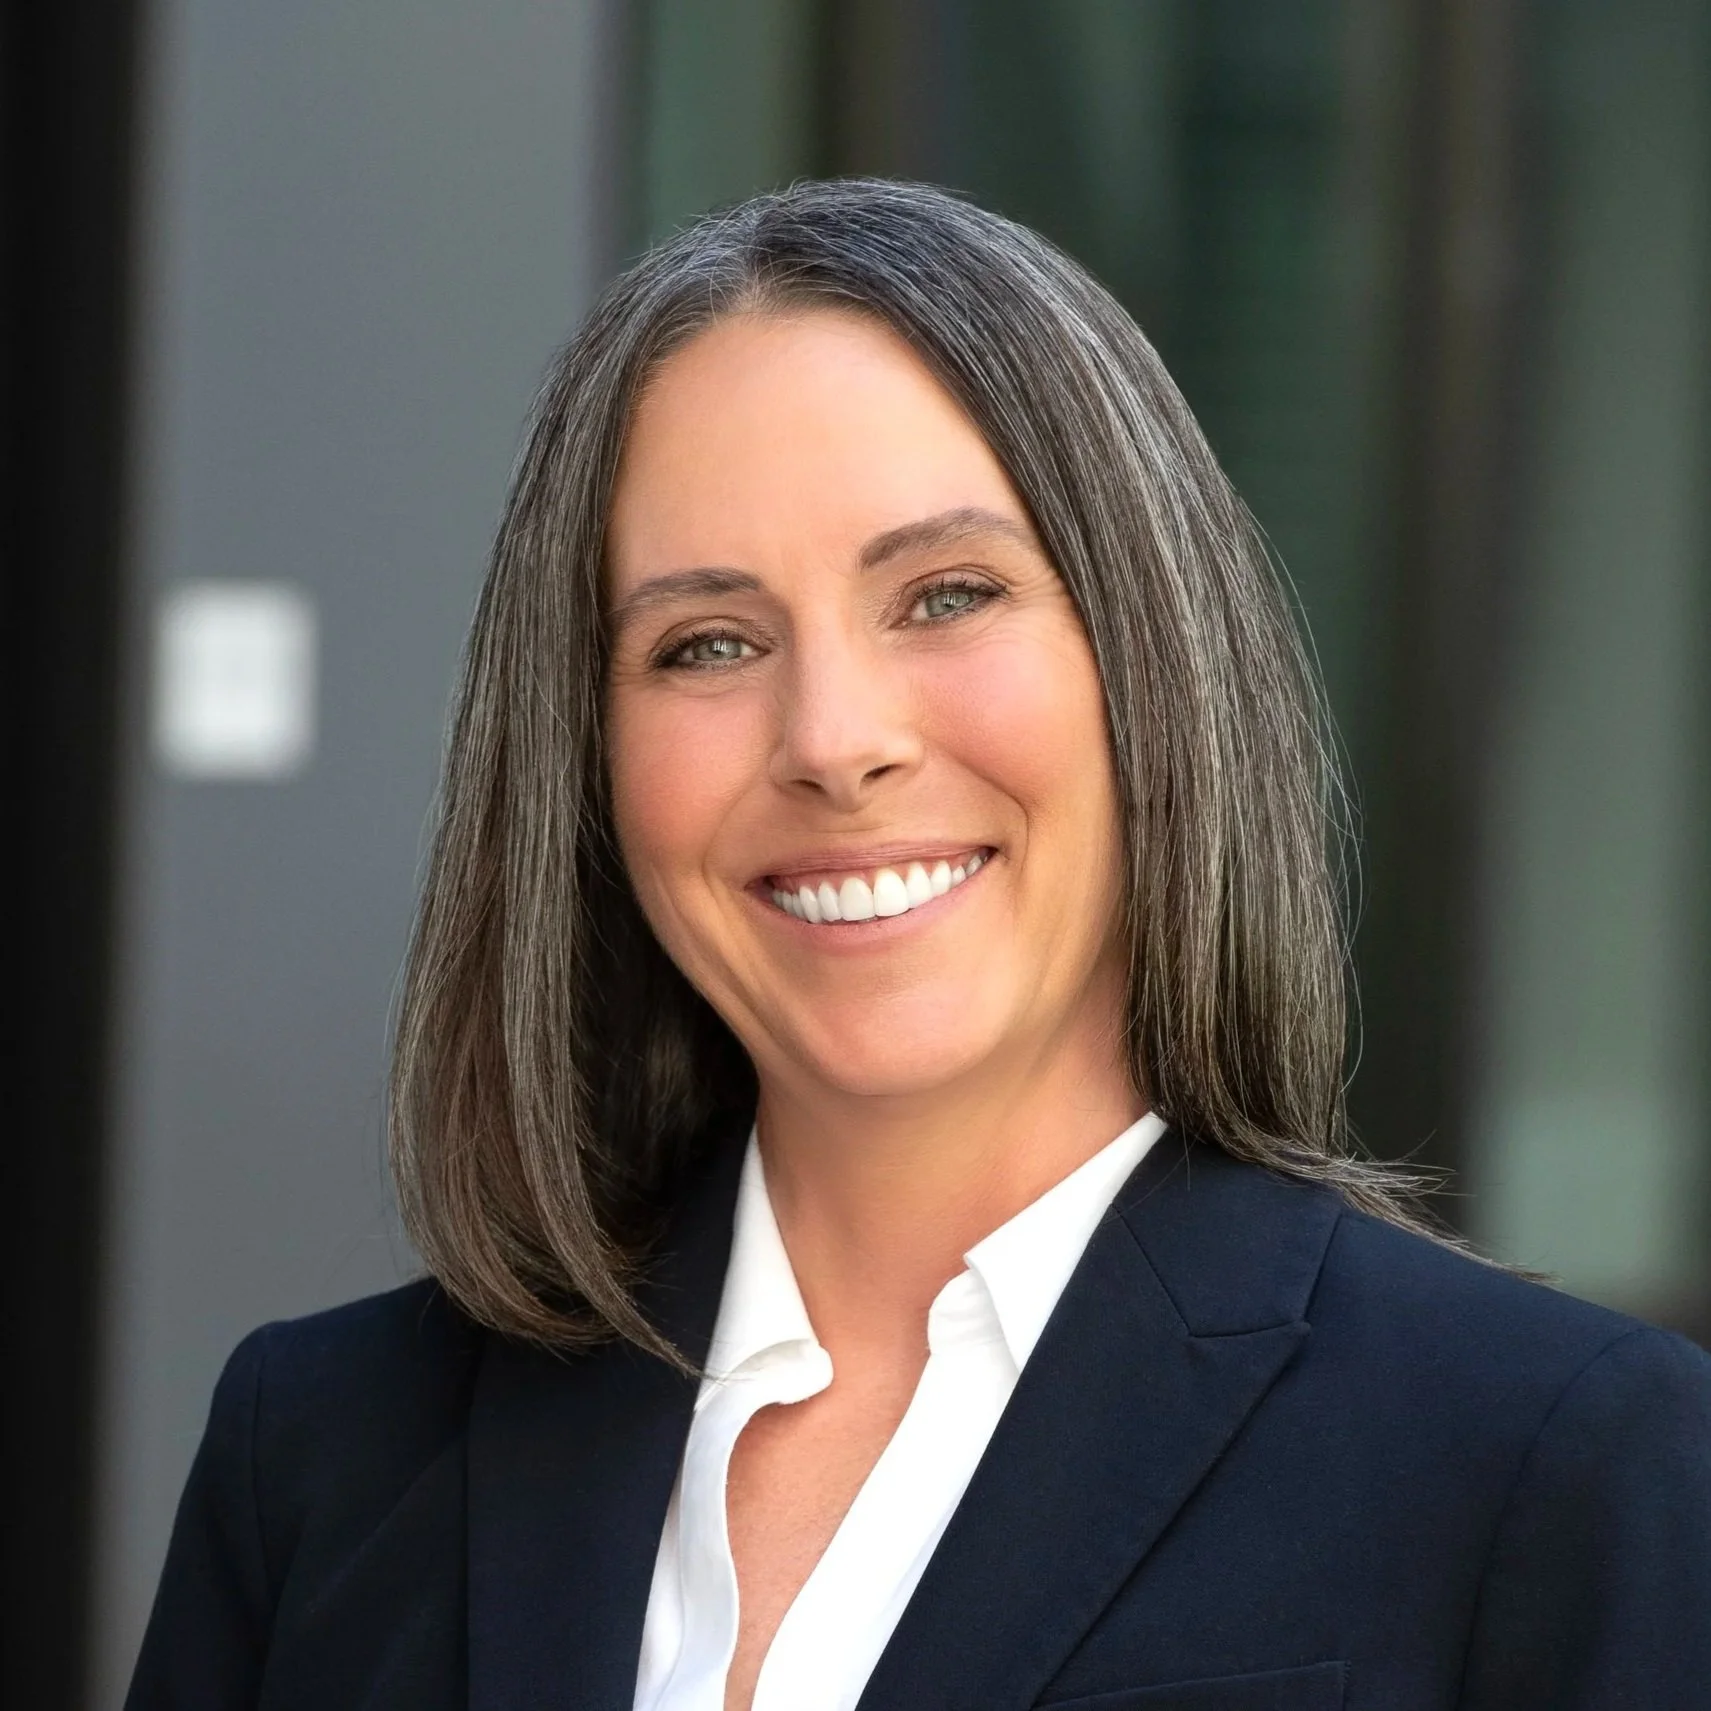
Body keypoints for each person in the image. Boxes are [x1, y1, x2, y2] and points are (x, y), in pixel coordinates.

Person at [127, 179, 1711, 1711]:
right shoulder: (323, 1457)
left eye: (946, 595)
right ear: (583, 759)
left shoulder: (1549, 1466)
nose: (831, 739)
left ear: (1151, 658)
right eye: (707, 641)